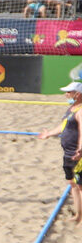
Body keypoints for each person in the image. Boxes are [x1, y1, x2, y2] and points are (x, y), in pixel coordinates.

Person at [37, 81, 82, 224]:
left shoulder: (80, 111)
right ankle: (78, 216)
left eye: (69, 92)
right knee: (72, 184)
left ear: (78, 94)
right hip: (68, 153)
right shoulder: (72, 108)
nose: (66, 94)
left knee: (80, 186)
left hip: (77, 154)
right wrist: (49, 133)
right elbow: (64, 127)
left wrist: (80, 150)